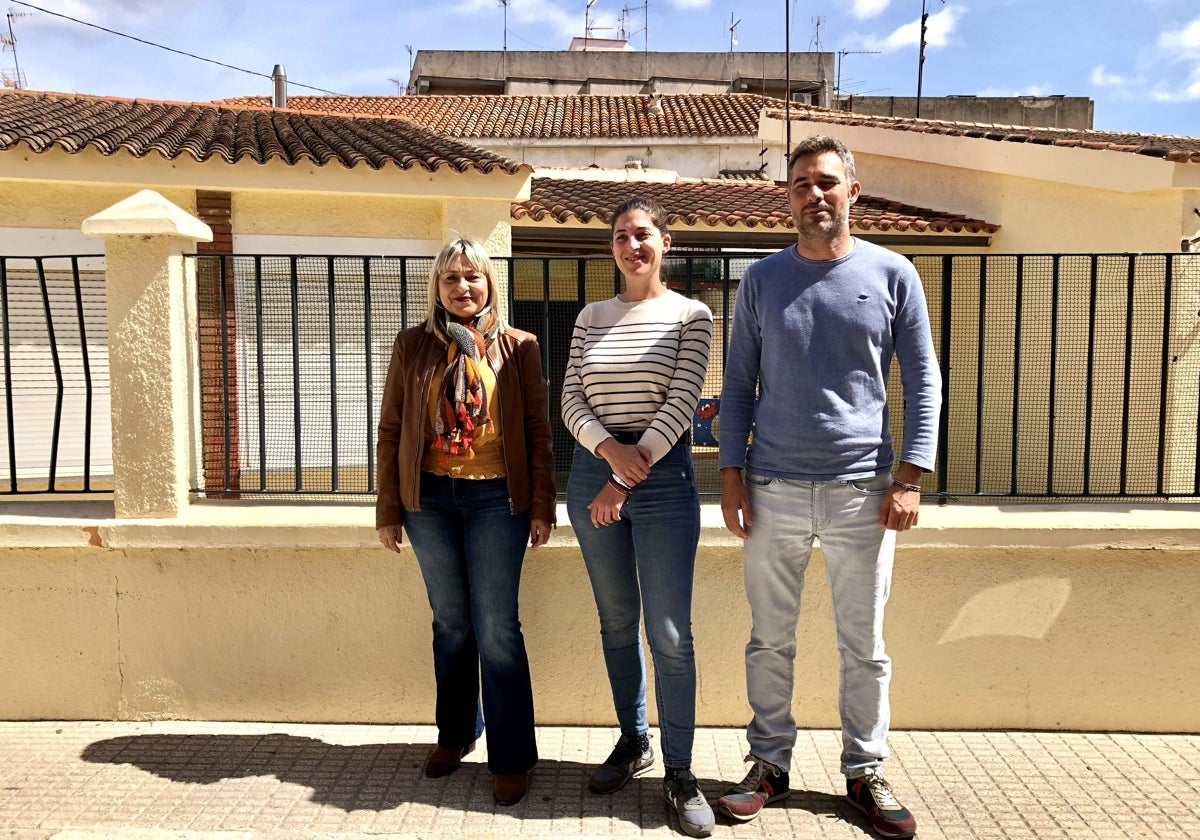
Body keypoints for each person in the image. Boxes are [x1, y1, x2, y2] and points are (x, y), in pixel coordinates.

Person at [715, 135, 941, 840]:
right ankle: (769, 766)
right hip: (773, 485)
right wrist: (730, 474)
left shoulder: (893, 272)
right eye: (801, 184)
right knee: (768, 641)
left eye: (826, 182)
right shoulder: (762, 279)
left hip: (863, 492)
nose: (814, 194)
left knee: (864, 646)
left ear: (852, 192)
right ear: (787, 197)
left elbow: (925, 379)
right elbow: (737, 385)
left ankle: (864, 771)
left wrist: (910, 476)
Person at [375, 238, 556, 807]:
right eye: (451, 278)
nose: (462, 287)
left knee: (497, 627)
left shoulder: (518, 346)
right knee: (450, 623)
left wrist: (542, 506)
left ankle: (511, 755)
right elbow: (391, 430)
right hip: (427, 500)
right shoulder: (413, 346)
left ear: (489, 284)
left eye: (472, 277)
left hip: (496, 501)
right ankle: (454, 735)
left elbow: (536, 432)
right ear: (437, 286)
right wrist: (387, 509)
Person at [561, 196, 715, 839]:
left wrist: (626, 473)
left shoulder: (691, 315)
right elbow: (570, 395)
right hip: (594, 470)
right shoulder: (591, 316)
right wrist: (607, 456)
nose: (633, 245)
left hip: (661, 475)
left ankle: (680, 771)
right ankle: (635, 740)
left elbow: (683, 401)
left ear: (665, 243)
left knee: (671, 633)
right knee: (618, 621)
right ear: (613, 249)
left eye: (643, 234)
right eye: (622, 235)